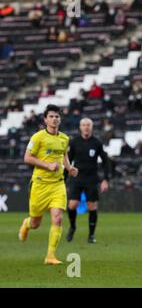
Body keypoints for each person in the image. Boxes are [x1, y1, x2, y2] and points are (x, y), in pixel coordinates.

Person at [19, 105, 78, 264]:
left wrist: (69, 168)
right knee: (35, 223)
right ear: (45, 119)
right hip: (40, 184)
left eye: (57, 116)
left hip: (58, 185)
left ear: (60, 119)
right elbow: (27, 158)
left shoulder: (64, 138)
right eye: (51, 116)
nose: (54, 119)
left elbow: (63, 155)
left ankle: (50, 256)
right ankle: (27, 224)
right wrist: (47, 165)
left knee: (57, 219)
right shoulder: (37, 137)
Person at [66, 118, 110, 243]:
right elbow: (68, 161)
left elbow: (106, 161)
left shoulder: (96, 143)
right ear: (80, 127)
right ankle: (72, 227)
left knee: (92, 206)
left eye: (88, 125)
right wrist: (63, 178)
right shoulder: (74, 142)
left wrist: (105, 179)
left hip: (91, 179)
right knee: (72, 205)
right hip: (77, 178)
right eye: (83, 125)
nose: (86, 127)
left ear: (92, 127)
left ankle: (91, 235)